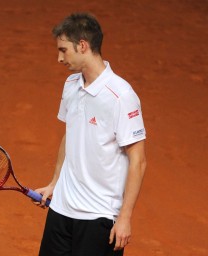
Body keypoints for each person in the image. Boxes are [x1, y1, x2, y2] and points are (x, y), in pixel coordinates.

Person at [35, 12, 147, 256]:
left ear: (82, 45)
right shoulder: (71, 84)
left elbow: (137, 160)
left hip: (99, 216)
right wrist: (55, 182)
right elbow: (70, 134)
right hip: (62, 210)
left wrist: (125, 218)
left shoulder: (121, 96)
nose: (58, 58)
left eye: (63, 50)